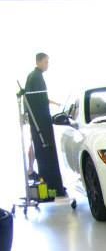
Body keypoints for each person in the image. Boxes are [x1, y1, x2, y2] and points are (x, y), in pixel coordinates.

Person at [22, 52, 65, 197]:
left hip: (40, 122)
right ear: (39, 62)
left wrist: (57, 103)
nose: (48, 64)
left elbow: (42, 98)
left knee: (40, 149)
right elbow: (35, 100)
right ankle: (52, 187)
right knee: (44, 152)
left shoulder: (35, 77)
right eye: (46, 62)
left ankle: (50, 186)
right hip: (40, 123)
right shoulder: (35, 77)